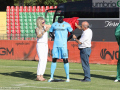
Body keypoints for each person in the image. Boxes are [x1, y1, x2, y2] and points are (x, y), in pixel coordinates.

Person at [48, 17, 73, 82]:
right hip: (56, 45)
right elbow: (50, 32)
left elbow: (72, 33)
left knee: (65, 59)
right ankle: (51, 77)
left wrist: (67, 40)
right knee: (54, 59)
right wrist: (54, 38)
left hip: (63, 45)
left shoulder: (67, 24)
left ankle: (68, 77)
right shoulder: (54, 24)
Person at [36, 17, 51, 81]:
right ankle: (38, 75)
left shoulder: (44, 26)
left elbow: (51, 25)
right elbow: (38, 36)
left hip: (45, 44)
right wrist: (44, 31)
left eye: (44, 22)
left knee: (45, 60)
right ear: (39, 22)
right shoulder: (37, 29)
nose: (44, 23)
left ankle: (41, 75)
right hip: (40, 44)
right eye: (42, 22)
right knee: (41, 60)